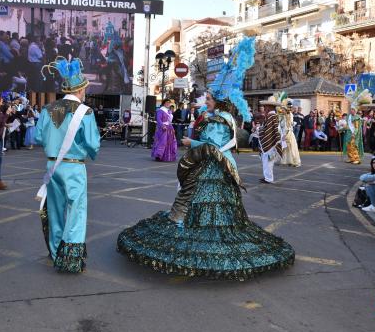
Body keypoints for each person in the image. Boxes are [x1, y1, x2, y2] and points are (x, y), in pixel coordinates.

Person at [117, 38, 294, 280]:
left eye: (209, 99)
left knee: (198, 200)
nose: (205, 101)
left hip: (213, 167)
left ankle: (195, 226)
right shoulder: (221, 117)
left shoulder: (218, 119)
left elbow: (213, 146)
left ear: (217, 102)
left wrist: (192, 143)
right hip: (216, 165)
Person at [35, 57, 100, 273]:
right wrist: (86, 151)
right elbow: (93, 144)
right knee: (76, 212)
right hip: (73, 167)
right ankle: (70, 258)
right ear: (80, 90)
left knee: (54, 210)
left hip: (52, 166)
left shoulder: (47, 109)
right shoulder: (86, 112)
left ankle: (55, 253)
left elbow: (37, 136)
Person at [258, 96, 283, 184]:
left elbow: (269, 129)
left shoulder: (272, 116)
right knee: (266, 160)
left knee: (268, 161)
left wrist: (259, 130)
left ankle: (268, 178)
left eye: (266, 106)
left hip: (270, 142)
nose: (264, 108)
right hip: (271, 142)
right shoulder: (271, 116)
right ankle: (267, 177)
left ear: (270, 107)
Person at [279, 101, 301, 167]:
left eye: (283, 109)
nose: (282, 110)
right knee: (285, 147)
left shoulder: (289, 115)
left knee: (291, 147)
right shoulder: (283, 116)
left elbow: (289, 126)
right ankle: (286, 161)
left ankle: (295, 161)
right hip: (284, 132)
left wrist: (286, 134)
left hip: (288, 133)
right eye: (282, 109)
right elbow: (281, 125)